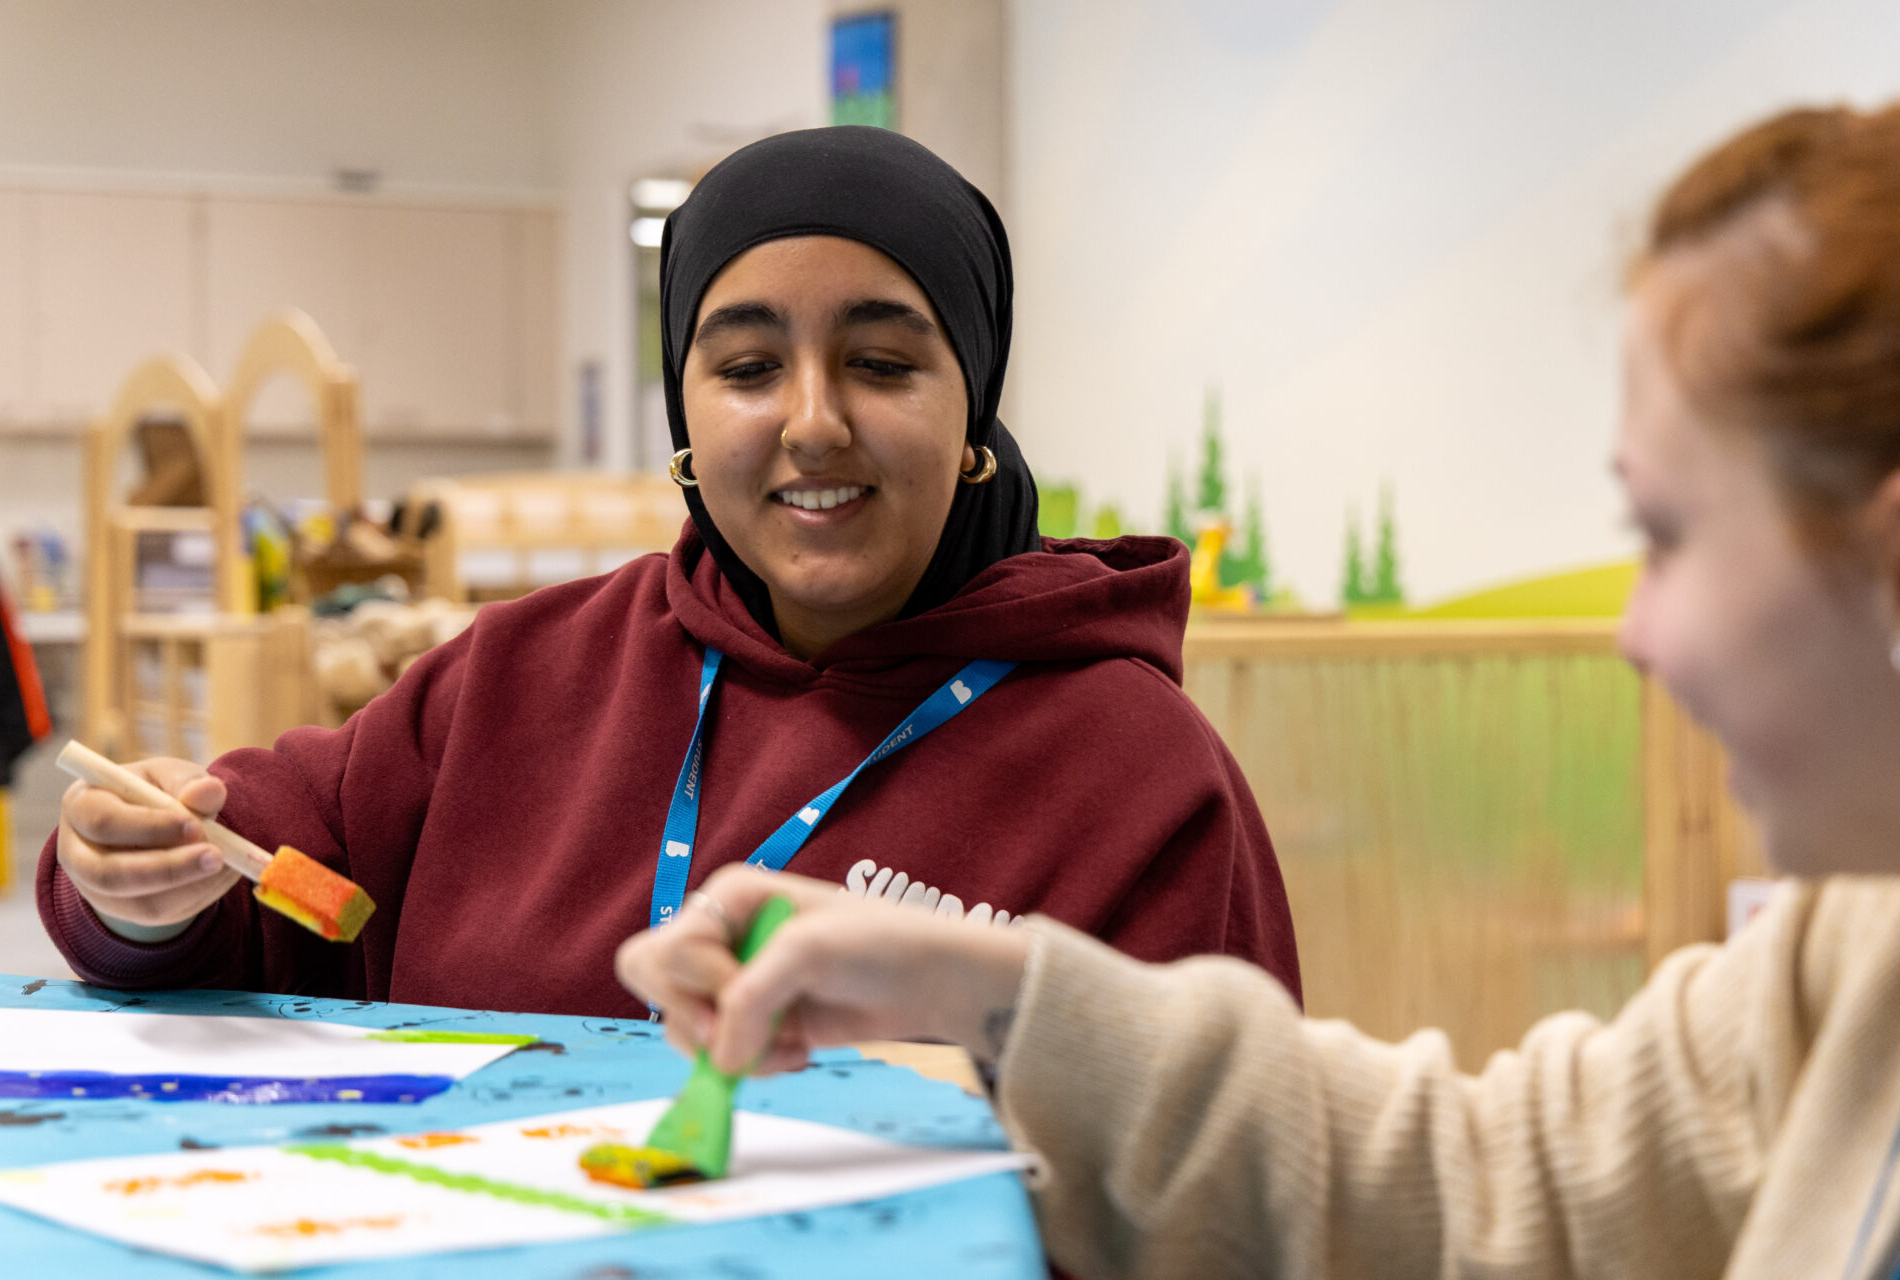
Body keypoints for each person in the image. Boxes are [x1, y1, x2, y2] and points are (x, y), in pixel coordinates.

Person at [620, 103, 1900, 1279]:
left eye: (1668, 534)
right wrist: (995, 996)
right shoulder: (1849, 956)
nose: (1638, 633)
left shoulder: (1128, 748)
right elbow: (1494, 1176)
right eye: (743, 367)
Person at [40, 126, 1300, 1017]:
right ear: (686, 414)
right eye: (748, 368)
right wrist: (145, 887)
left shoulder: (1139, 775)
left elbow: (1212, 1185)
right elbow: (262, 886)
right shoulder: (522, 672)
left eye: (883, 361)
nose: (812, 422)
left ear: (976, 406)